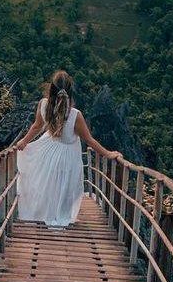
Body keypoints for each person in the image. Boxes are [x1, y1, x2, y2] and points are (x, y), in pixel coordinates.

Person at [15, 69, 122, 228]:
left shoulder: (43, 105)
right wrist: (108, 154)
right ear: (70, 90)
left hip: (48, 151)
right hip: (67, 156)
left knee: (49, 183)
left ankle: (45, 212)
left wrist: (23, 142)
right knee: (65, 186)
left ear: (51, 88)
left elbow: (36, 126)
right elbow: (89, 140)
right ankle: (60, 214)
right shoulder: (75, 115)